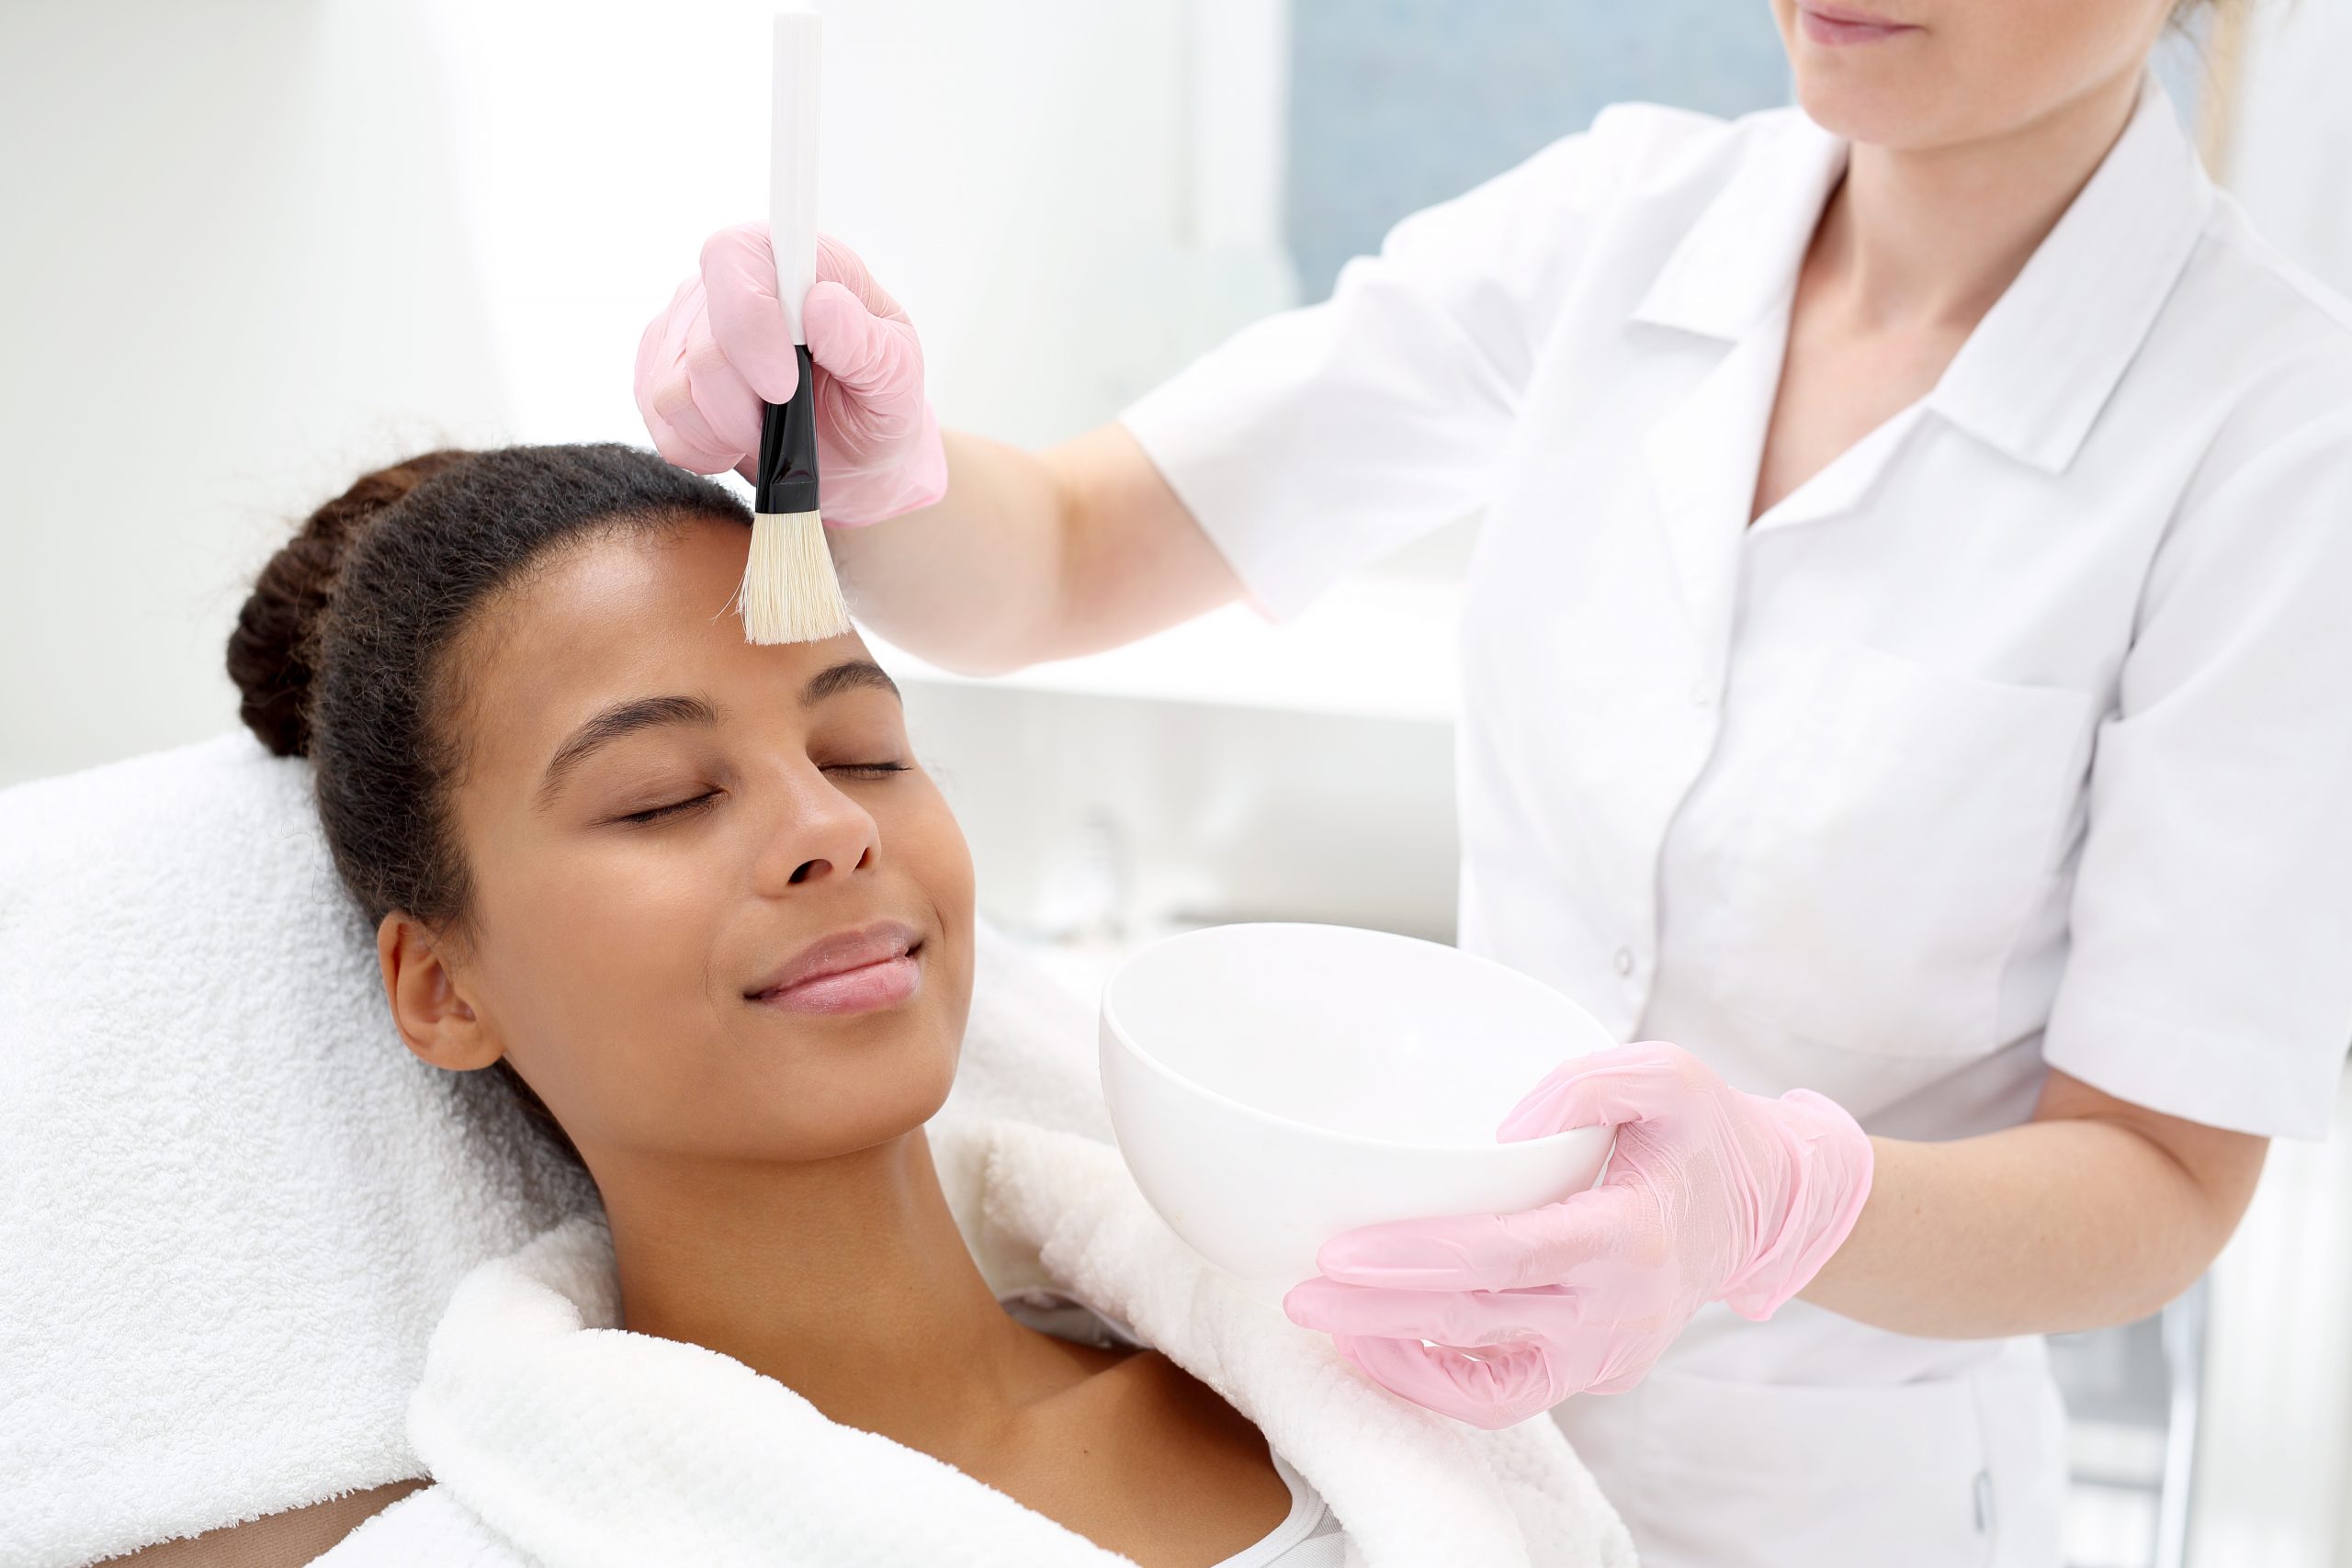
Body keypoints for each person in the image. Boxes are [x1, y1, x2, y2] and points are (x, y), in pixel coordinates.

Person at [632, 0, 2352, 1562]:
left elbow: (2160, 1181)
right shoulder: (1620, 229)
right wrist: (879, 473)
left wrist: (1771, 1203)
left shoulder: (2272, 433)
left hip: (1836, 1511)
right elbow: (1079, 549)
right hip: (1423, 1461)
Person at [211, 444, 1629, 1567]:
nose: (829, 824)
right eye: (665, 797)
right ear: (443, 988)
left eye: (867, 750)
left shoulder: (1359, 1404)